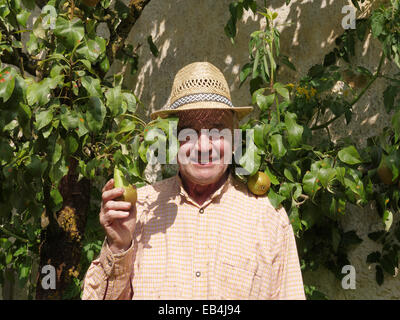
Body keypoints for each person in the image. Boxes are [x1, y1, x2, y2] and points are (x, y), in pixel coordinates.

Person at [82, 62, 306, 300]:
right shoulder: (141, 210)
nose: (203, 146)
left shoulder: (268, 216)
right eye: (188, 131)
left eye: (217, 130)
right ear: (171, 139)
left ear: (234, 137)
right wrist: (118, 247)